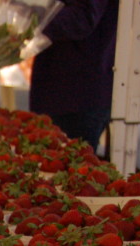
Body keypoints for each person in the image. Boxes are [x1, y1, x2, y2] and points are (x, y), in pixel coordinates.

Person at [28, 0, 120, 151]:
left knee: (69, 163)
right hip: (61, 88)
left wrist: (25, 15)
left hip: (77, 93)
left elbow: (82, 18)